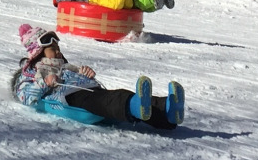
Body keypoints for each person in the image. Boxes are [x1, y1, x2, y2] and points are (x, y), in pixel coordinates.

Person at [11, 24, 184, 129]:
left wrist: (85, 73)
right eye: (52, 49)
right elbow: (25, 95)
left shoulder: (66, 66)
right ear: (38, 52)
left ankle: (165, 110)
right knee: (110, 101)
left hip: (88, 91)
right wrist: (45, 83)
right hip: (70, 97)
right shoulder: (31, 73)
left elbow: (78, 74)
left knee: (117, 96)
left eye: (58, 47)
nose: (57, 52)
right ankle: (137, 105)